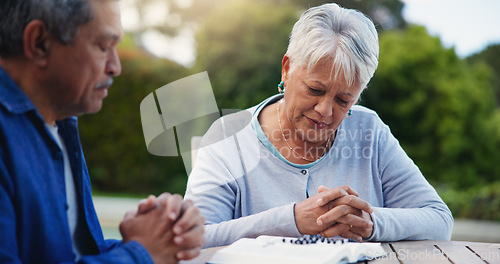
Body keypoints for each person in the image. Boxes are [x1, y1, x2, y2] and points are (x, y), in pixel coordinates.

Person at [185, 3, 453, 248]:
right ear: (287, 69)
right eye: (315, 89)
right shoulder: (226, 136)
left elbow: (440, 221)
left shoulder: (370, 131)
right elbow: (194, 237)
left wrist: (370, 222)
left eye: (343, 99)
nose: (325, 110)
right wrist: (291, 220)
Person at [0, 0, 204, 263]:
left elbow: (68, 255)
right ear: (39, 43)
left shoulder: (60, 126)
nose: (115, 67)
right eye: (103, 47)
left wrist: (161, 234)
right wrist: (142, 253)